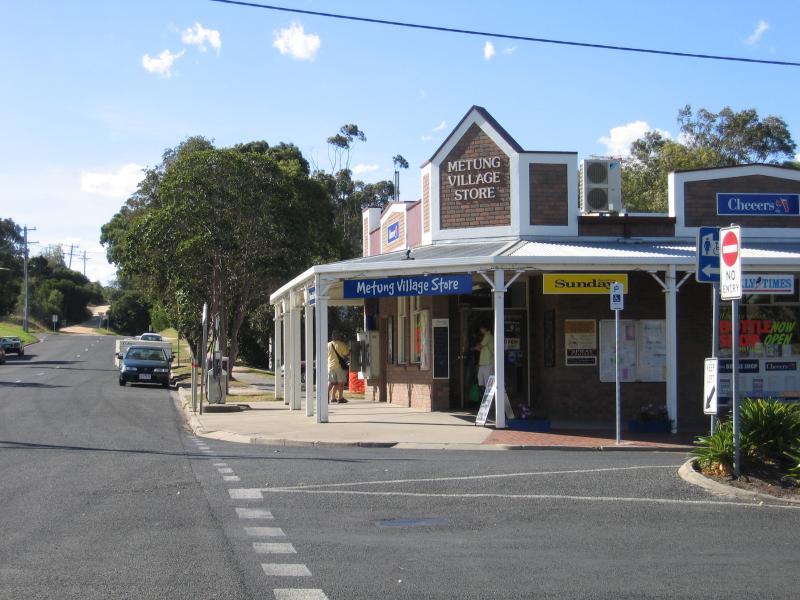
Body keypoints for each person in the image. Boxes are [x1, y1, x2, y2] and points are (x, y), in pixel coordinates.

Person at [327, 332, 350, 404]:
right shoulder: (341, 344)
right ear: (338, 337)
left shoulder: (328, 344)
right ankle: (340, 398)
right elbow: (346, 353)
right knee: (340, 383)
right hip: (339, 366)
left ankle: (326, 395)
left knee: (332, 382)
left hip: (330, 366)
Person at [473, 323, 494, 393]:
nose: (480, 330)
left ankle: (490, 400)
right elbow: (481, 348)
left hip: (488, 363)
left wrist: (473, 347)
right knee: (481, 381)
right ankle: (486, 397)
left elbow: (480, 346)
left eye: (481, 328)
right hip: (483, 363)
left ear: (485, 328)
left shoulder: (488, 336)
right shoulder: (486, 336)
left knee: (488, 383)